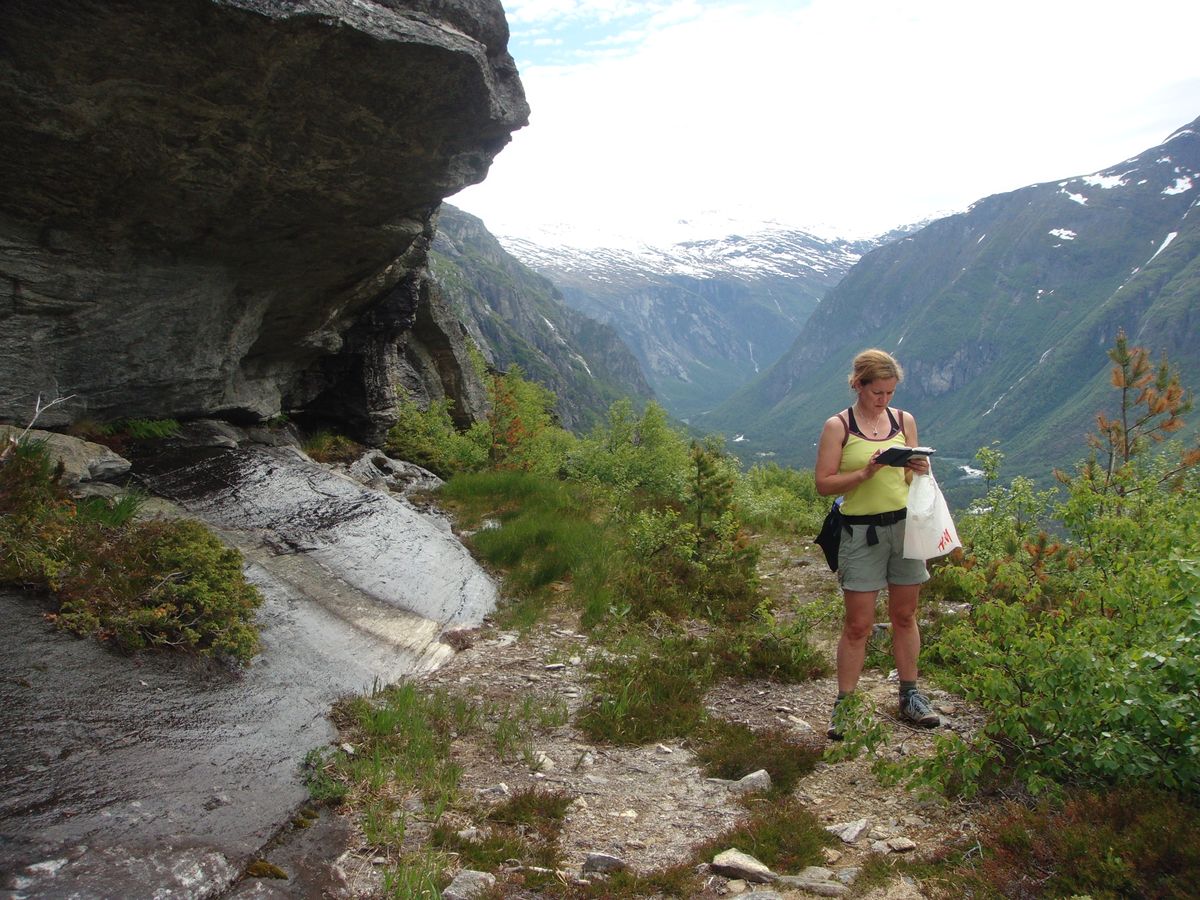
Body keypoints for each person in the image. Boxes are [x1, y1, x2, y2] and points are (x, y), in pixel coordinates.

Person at [814, 348, 940, 739]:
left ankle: (910, 695)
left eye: (889, 393)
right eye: (877, 392)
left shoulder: (904, 421)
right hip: (859, 531)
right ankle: (845, 706)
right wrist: (866, 472)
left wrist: (919, 469)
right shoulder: (839, 426)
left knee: (905, 616)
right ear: (858, 385)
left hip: (904, 528)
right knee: (858, 625)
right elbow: (824, 484)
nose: (884, 400)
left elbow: (908, 484)